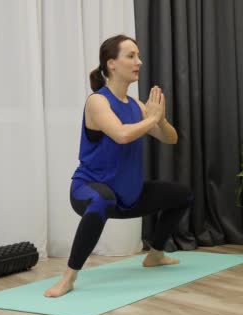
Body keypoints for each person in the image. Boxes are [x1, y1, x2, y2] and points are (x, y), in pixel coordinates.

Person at [44, 35, 194, 298]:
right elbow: (122, 134)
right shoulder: (97, 102)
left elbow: (171, 139)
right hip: (89, 190)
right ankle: (68, 277)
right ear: (111, 64)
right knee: (103, 200)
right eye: (131, 56)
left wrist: (159, 119)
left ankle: (156, 255)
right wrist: (151, 120)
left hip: (129, 195)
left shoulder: (136, 106)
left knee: (182, 195)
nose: (139, 61)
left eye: (138, 55)